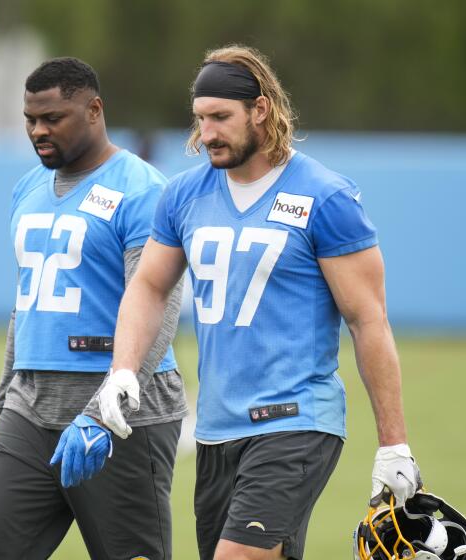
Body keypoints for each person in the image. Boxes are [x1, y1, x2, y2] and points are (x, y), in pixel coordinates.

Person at [100, 45, 422, 560]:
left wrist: (393, 443)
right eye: (200, 119)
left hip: (295, 421)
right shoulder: (184, 195)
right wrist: (123, 370)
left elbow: (368, 321)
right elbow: (149, 285)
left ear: (261, 109)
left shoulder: (327, 198)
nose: (207, 133)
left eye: (220, 118)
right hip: (215, 430)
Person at [0, 57, 187, 560]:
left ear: (94, 110)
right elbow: (25, 310)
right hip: (30, 406)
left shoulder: (143, 190)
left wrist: (105, 413)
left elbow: (160, 308)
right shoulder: (27, 189)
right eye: (30, 119)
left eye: (52, 118)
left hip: (123, 415)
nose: (38, 131)